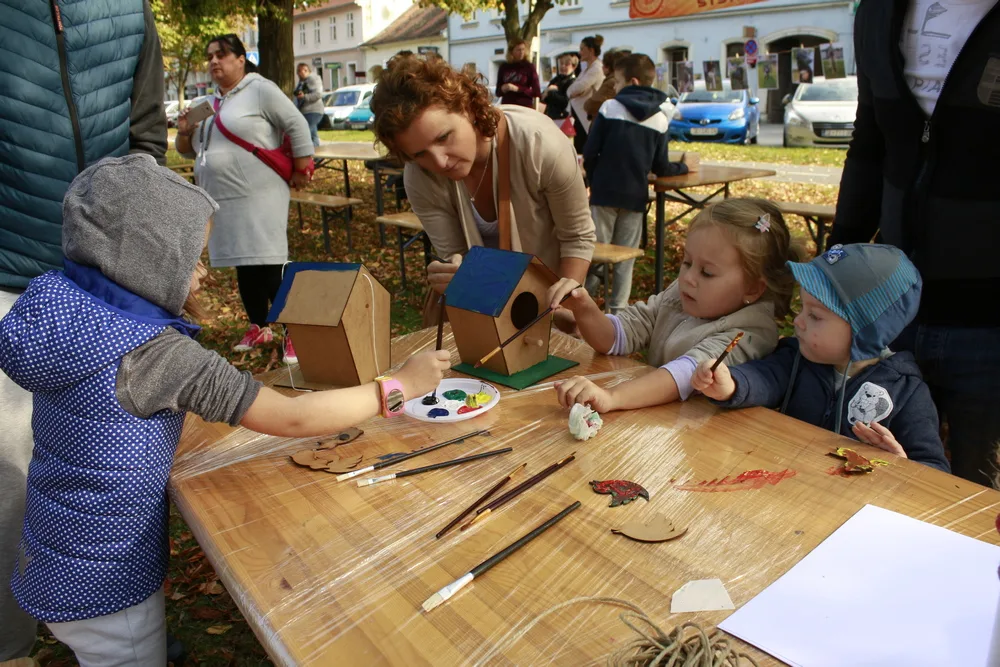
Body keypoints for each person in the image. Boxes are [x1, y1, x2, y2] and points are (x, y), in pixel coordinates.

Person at [0, 155, 450, 666]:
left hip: (54, 553)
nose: (203, 274)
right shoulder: (156, 355)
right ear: (146, 259)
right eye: (192, 258)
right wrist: (399, 386)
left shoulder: (59, 310)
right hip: (107, 578)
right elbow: (292, 419)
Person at [0, 1, 167, 661]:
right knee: (9, 465)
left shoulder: (129, 10)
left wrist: (142, 242)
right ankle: (12, 642)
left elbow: (146, 134)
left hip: (109, 278)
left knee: (124, 456)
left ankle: (121, 616)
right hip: (9, 273)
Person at [830, 0, 999, 486]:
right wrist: (836, 270)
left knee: (977, 495)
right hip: (891, 310)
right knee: (871, 475)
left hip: (989, 323)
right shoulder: (877, 11)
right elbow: (871, 141)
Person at [370, 56, 596, 331]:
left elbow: (577, 237)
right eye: (420, 154)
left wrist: (560, 308)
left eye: (443, 137)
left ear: (468, 108)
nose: (440, 162)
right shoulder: (419, 177)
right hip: (482, 307)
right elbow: (458, 255)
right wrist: (453, 273)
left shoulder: (540, 143)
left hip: (550, 303)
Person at [693, 243, 951, 472]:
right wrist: (730, 384)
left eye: (815, 316)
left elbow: (935, 471)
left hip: (852, 513)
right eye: (802, 308)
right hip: (789, 489)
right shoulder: (797, 359)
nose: (798, 321)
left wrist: (901, 465)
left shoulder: (906, 392)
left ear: (865, 331)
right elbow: (765, 377)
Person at [548, 199, 798, 414]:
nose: (688, 278)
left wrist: (613, 398)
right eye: (687, 262)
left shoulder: (750, 331)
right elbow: (617, 337)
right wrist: (583, 305)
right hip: (657, 422)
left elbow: (684, 375)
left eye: (707, 272)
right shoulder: (681, 294)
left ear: (753, 288)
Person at [175, 34, 314, 364]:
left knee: (268, 262)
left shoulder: (260, 90)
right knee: (245, 263)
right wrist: (183, 131)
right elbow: (188, 149)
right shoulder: (208, 104)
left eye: (222, 55)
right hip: (224, 199)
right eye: (210, 56)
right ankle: (259, 325)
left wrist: (300, 168)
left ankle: (296, 332)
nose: (214, 62)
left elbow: (296, 124)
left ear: (241, 59)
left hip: (259, 194)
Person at [581, 53, 688, 313]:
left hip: (604, 192)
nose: (614, 87)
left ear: (633, 81)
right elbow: (660, 166)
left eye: (617, 82)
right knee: (625, 259)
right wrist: (683, 166)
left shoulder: (609, 108)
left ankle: (583, 305)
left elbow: (590, 152)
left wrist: (594, 181)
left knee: (595, 254)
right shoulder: (661, 118)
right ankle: (617, 313)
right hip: (636, 196)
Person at [567, 35, 605, 154]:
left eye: (582, 49)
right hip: (580, 114)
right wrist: (574, 92)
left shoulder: (597, 68)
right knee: (579, 149)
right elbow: (571, 90)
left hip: (588, 116)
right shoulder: (587, 69)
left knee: (586, 150)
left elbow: (579, 87)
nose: (580, 52)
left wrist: (576, 92)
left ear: (591, 50)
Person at [583, 49, 631, 119]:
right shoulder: (620, 80)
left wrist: (589, 100)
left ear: (607, 68)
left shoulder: (610, 83)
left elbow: (591, 106)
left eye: (603, 65)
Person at [495, 39, 541, 108]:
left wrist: (517, 89)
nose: (521, 52)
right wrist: (503, 88)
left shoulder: (529, 67)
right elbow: (498, 92)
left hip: (524, 106)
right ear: (511, 52)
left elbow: (536, 92)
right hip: (508, 106)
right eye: (518, 50)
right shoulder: (504, 67)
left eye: (523, 49)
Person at [294, 62, 326, 147]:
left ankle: (313, 153)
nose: (298, 74)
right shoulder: (302, 82)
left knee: (307, 133)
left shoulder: (313, 79)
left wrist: (304, 97)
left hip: (313, 110)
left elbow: (318, 94)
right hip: (305, 111)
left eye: (298, 72)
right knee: (313, 134)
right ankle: (317, 155)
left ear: (305, 70)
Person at [541, 54, 576, 129]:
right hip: (550, 115)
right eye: (561, 64)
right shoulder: (557, 79)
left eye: (567, 64)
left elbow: (565, 101)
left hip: (562, 117)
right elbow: (544, 96)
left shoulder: (572, 82)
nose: (563, 66)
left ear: (573, 67)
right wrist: (548, 91)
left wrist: (551, 92)